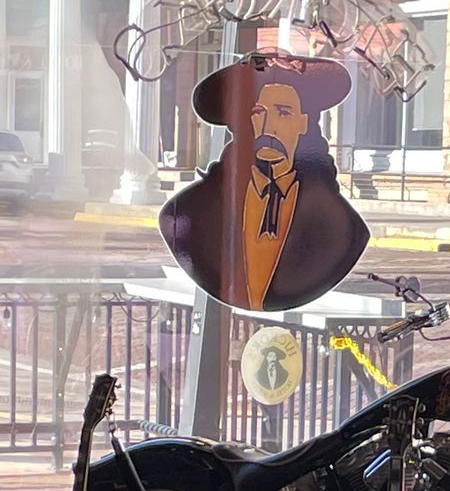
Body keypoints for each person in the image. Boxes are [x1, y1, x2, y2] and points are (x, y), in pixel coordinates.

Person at [159, 52, 370, 311]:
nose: (269, 126)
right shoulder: (185, 214)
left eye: (283, 113)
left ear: (303, 123)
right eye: (258, 112)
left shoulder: (346, 229)